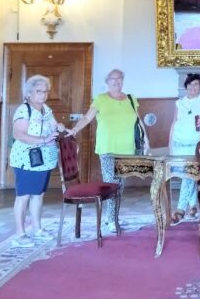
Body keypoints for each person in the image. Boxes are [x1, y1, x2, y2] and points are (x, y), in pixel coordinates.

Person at [69, 68, 149, 232]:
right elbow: (87, 117)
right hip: (108, 149)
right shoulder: (101, 99)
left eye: (119, 78)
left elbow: (138, 120)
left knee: (120, 186)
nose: (116, 81)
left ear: (123, 81)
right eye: (113, 79)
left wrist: (146, 140)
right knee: (111, 184)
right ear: (107, 82)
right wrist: (75, 130)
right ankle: (112, 220)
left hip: (127, 149)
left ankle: (112, 217)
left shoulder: (131, 99)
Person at [9, 75, 66, 247]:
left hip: (43, 161)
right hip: (26, 160)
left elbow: (54, 125)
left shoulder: (45, 109)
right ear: (29, 93)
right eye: (38, 91)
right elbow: (18, 134)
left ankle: (37, 229)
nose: (43, 94)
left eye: (45, 91)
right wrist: (44, 139)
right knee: (23, 196)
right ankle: (19, 234)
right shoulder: (23, 110)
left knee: (38, 195)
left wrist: (60, 127)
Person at [169, 73, 200, 224]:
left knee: (188, 174)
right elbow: (174, 123)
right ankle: (192, 206)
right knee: (188, 174)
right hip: (180, 143)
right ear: (186, 87)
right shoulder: (180, 102)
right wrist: (169, 144)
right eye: (190, 85)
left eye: (196, 84)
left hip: (197, 143)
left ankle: (180, 209)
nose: (193, 88)